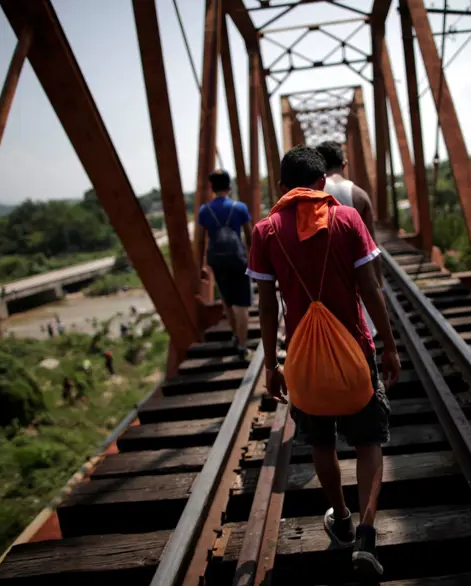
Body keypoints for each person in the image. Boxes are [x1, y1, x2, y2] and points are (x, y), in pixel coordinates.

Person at [246, 145, 401, 578]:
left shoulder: (265, 232)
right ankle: (368, 537)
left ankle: (343, 520)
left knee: (321, 444)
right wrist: (388, 345)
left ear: (282, 188)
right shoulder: (347, 218)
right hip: (355, 349)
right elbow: (370, 288)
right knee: (369, 442)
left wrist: (271, 364)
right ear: (321, 183)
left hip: (303, 358)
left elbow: (265, 306)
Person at [196, 169, 254, 360]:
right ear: (229, 186)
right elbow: (250, 236)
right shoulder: (240, 208)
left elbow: (201, 241)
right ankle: (243, 347)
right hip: (238, 260)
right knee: (242, 305)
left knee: (227, 302)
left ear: (211, 188)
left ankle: (235, 336)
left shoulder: (205, 211)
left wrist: (201, 266)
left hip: (218, 262)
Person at [315, 141, 383, 287]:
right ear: (344, 165)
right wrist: (379, 287)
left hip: (319, 279)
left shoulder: (310, 195)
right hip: (353, 278)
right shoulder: (359, 195)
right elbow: (371, 247)